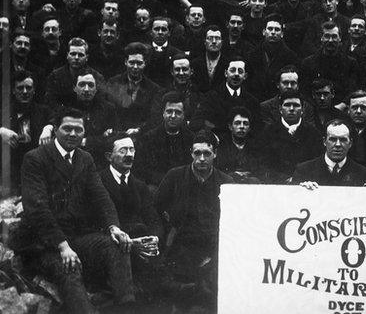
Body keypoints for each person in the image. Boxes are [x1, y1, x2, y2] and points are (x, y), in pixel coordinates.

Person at [12, 107, 135, 314]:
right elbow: (37, 209)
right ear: (56, 131)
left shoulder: (85, 159)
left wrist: (114, 227)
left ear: (84, 132)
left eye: (78, 129)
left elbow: (101, 197)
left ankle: (127, 307)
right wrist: (62, 246)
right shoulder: (35, 158)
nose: (72, 134)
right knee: (70, 268)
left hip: (75, 237)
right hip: (43, 243)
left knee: (116, 245)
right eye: (67, 128)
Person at [156, 131, 234, 312]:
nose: (201, 158)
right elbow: (157, 206)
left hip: (213, 243)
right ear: (191, 153)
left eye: (207, 153)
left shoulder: (225, 182)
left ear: (215, 154)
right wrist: (168, 227)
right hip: (183, 242)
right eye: (197, 153)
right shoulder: (175, 176)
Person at [292, 119, 366, 188]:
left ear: (350, 143)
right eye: (333, 139)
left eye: (343, 140)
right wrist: (301, 190)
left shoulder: (364, 175)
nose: (338, 144)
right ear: (324, 141)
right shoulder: (304, 171)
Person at [135, 91, 195, 190]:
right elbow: (142, 170)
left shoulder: (191, 139)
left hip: (184, 187)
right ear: (163, 113)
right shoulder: (148, 139)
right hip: (157, 187)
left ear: (184, 115)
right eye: (169, 111)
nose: (173, 116)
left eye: (178, 112)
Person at [258, 90, 322, 183]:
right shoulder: (268, 132)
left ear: (303, 109)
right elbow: (261, 165)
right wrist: (283, 179)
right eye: (287, 105)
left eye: (296, 105)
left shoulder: (313, 133)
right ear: (280, 109)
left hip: (306, 186)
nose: (291, 109)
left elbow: (318, 163)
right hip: (276, 185)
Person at [100, 42, 164, 134]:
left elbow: (154, 117)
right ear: (126, 62)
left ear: (145, 63)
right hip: (115, 134)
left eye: (139, 63)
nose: (135, 67)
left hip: (141, 135)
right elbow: (106, 109)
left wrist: (139, 130)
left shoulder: (154, 89)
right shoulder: (113, 83)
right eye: (132, 63)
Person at [190, 57, 262, 136]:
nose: (236, 74)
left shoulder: (252, 101)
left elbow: (257, 128)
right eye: (232, 70)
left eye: (240, 71)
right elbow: (197, 122)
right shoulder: (211, 97)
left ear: (245, 76)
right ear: (225, 73)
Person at [247, 13, 300, 101]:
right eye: (270, 29)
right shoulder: (251, 55)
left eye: (277, 29)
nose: (273, 32)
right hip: (255, 99)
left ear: (282, 34)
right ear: (264, 32)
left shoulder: (291, 57)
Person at [45, 37, 104, 109]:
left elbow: (100, 104)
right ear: (67, 55)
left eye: (80, 55)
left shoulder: (97, 77)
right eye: (73, 54)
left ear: (87, 57)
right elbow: (51, 103)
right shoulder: (55, 76)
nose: (76, 58)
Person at [215, 106, 263, 184]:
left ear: (249, 128)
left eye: (245, 123)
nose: (241, 126)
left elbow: (261, 171)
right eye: (237, 123)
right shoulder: (221, 146)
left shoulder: (257, 146)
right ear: (230, 126)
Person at [191, 25, 229, 93]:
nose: (214, 41)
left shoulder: (228, 63)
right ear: (205, 42)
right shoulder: (195, 63)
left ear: (222, 42)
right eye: (210, 38)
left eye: (217, 38)